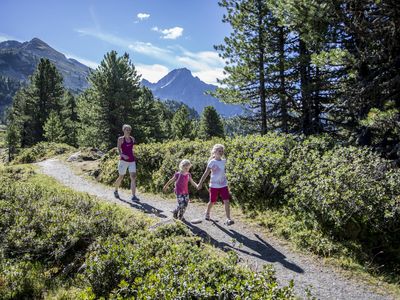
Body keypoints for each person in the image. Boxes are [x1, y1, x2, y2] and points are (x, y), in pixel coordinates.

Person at [198, 144, 234, 225]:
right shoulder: (212, 162)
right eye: (219, 151)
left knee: (226, 201)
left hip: (223, 185)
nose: (221, 152)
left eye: (222, 151)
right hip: (214, 185)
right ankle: (207, 212)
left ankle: (228, 219)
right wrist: (200, 183)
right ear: (214, 152)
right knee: (212, 201)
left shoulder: (224, 161)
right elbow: (205, 173)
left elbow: (226, 172)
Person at [113, 124, 140, 202]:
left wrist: (135, 154)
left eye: (129, 130)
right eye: (126, 130)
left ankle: (133, 196)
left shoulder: (132, 139)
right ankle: (115, 190)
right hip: (123, 161)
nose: (128, 131)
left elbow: (132, 149)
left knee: (133, 177)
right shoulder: (121, 139)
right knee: (121, 176)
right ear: (123, 130)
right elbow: (118, 149)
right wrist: (122, 155)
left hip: (131, 160)